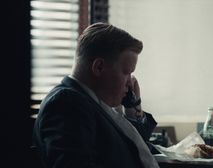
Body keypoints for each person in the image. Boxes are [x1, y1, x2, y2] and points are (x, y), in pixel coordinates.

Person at [32, 22, 159, 168]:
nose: (130, 83)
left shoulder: (94, 103)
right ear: (99, 67)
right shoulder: (68, 104)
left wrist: (133, 106)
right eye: (126, 72)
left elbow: (133, 146)